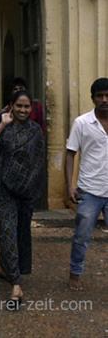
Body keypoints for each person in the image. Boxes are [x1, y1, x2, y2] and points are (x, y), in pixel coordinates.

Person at [0, 90, 45, 309]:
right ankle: (16, 284)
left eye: (27, 107)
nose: (23, 110)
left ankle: (3, 266)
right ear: (11, 106)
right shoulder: (1, 126)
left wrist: (31, 186)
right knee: (7, 232)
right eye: (19, 106)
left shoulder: (36, 131)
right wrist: (0, 126)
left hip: (24, 191)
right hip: (2, 190)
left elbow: (38, 162)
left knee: (19, 233)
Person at [66, 77, 108, 291]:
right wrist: (70, 186)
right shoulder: (82, 123)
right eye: (99, 96)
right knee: (82, 236)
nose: (104, 99)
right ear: (92, 98)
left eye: (107, 95)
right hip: (89, 190)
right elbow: (70, 153)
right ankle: (75, 273)